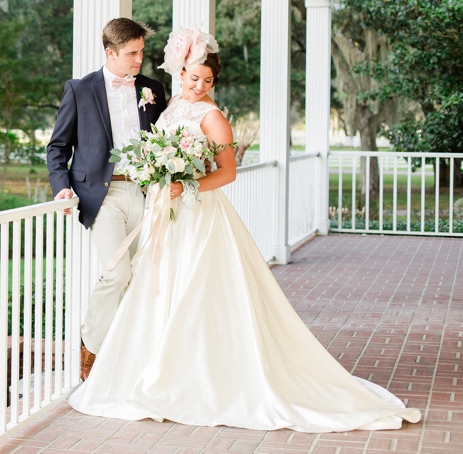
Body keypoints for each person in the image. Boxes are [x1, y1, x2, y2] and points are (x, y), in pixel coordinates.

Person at [68, 26, 422, 432]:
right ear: (180, 74)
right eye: (193, 77)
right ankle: (150, 367)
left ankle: (199, 377)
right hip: (166, 217)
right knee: (160, 289)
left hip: (198, 215)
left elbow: (227, 173)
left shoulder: (213, 116)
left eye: (208, 80)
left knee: (197, 292)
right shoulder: (168, 107)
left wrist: (184, 185)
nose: (200, 84)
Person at [46, 18, 167, 381]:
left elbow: (165, 137)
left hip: (147, 192)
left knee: (143, 276)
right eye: (131, 54)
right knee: (118, 273)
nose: (138, 60)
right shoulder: (80, 89)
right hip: (101, 194)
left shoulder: (153, 89)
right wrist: (61, 186)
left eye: (141, 53)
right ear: (109, 52)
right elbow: (57, 147)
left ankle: (127, 353)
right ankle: (91, 346)